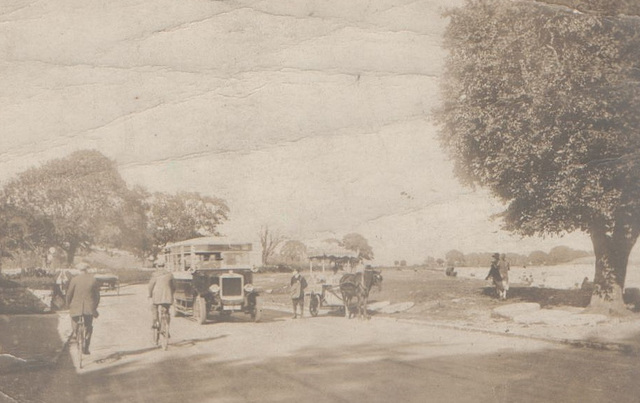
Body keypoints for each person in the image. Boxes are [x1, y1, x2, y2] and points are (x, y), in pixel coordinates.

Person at [66, 263, 100, 355]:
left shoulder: (74, 280)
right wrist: (94, 307)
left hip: (76, 307)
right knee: (88, 327)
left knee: (75, 325)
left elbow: (69, 294)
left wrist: (68, 305)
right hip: (89, 308)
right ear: (87, 270)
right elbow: (97, 296)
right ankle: (86, 347)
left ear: (79, 270)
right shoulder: (93, 280)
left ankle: (78, 339)